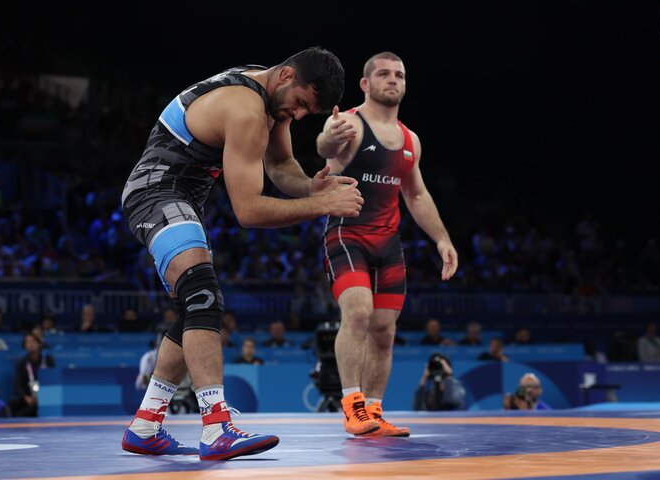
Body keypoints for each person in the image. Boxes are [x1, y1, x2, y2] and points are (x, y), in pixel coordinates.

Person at [120, 47, 362, 460]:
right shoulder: (246, 109)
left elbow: (281, 165)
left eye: (307, 113)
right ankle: (216, 427)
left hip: (179, 196)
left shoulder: (269, 93)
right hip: (155, 192)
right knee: (202, 295)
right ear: (286, 75)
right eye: (301, 104)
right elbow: (248, 211)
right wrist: (322, 205)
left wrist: (311, 187)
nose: (297, 115)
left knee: (195, 307)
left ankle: (145, 424)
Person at [316, 51, 458, 437]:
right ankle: (352, 406)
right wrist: (328, 138)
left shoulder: (411, 140)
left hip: (388, 242)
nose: (392, 79)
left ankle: (374, 412)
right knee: (359, 312)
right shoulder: (349, 123)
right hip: (347, 235)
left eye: (399, 74)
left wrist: (442, 238)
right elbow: (325, 147)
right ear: (366, 83)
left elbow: (416, 194)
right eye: (383, 74)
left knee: (384, 330)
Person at [9, 332, 55, 417]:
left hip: (45, 396)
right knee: (13, 403)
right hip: (28, 397)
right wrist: (25, 397)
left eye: (33, 341)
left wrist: (43, 396)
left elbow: (53, 381)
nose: (30, 344)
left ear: (39, 344)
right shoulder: (22, 363)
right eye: (27, 342)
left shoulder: (48, 360)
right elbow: (18, 384)